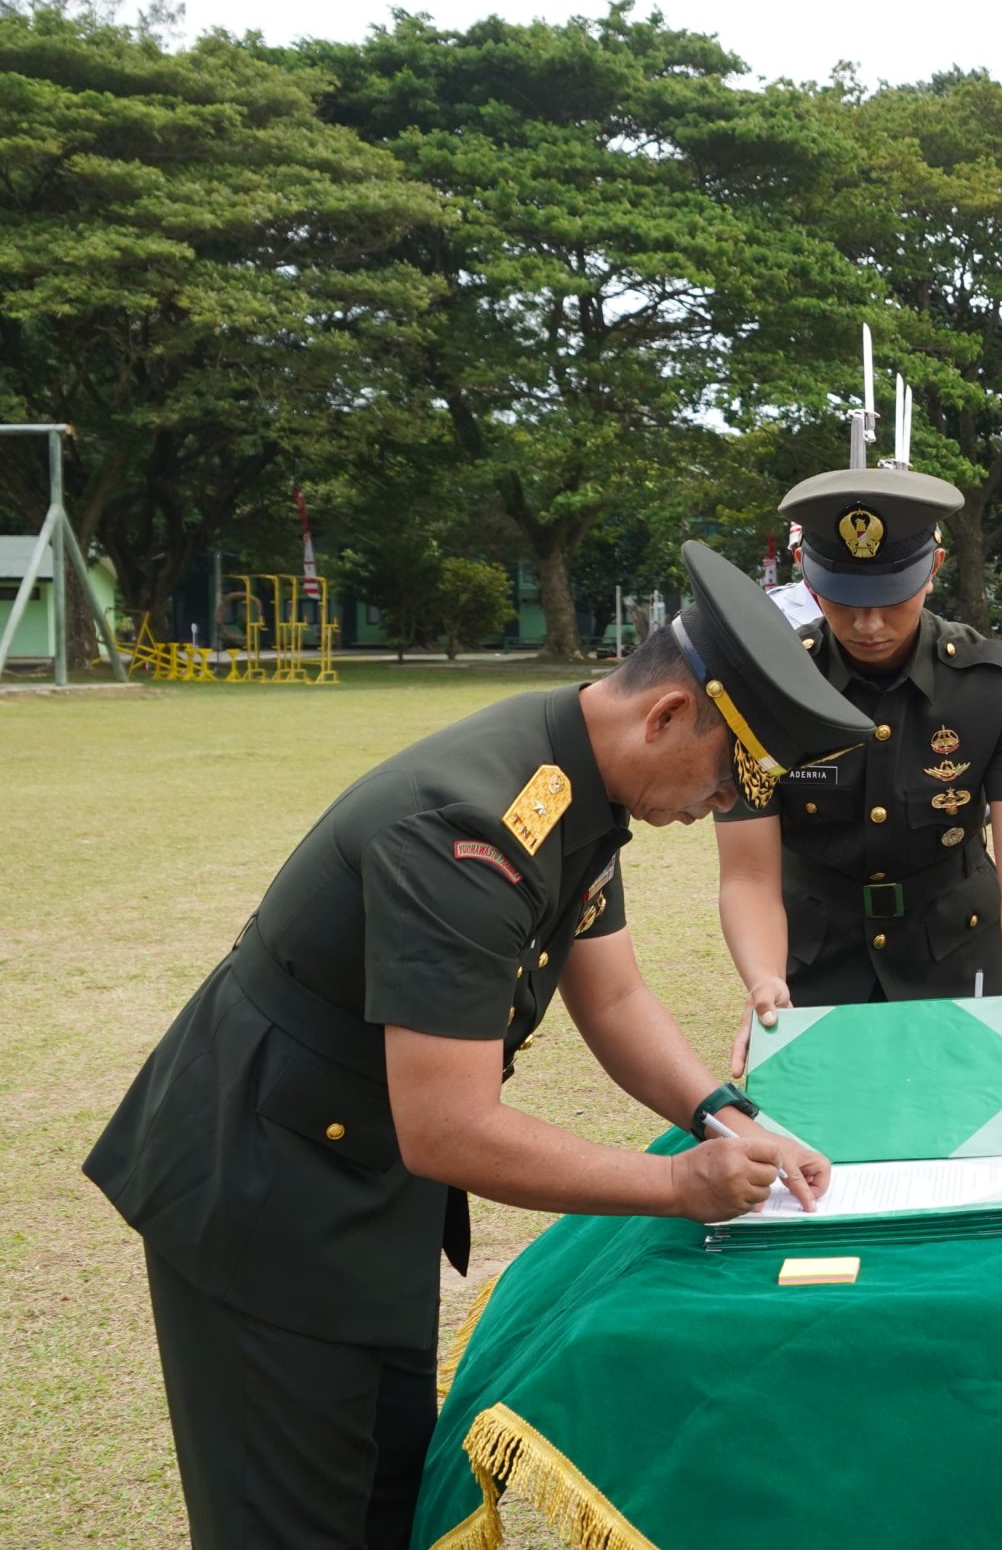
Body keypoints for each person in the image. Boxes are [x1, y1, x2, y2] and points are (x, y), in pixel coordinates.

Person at [84, 543, 871, 1550]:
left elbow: (616, 990)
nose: (724, 806)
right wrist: (679, 1185)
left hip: (360, 1182)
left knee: (385, 1496)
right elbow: (451, 1125)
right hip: (260, 1195)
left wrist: (729, 1115)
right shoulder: (469, 829)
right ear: (667, 713)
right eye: (731, 775)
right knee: (288, 1521)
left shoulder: (577, 779)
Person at [714, 470, 1002, 1077]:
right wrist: (764, 980)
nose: (868, 625)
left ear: (935, 567)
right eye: (844, 599)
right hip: (811, 966)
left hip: (957, 955)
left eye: (891, 597)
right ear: (807, 574)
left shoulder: (994, 684)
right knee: (816, 1158)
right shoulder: (764, 690)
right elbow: (747, 874)